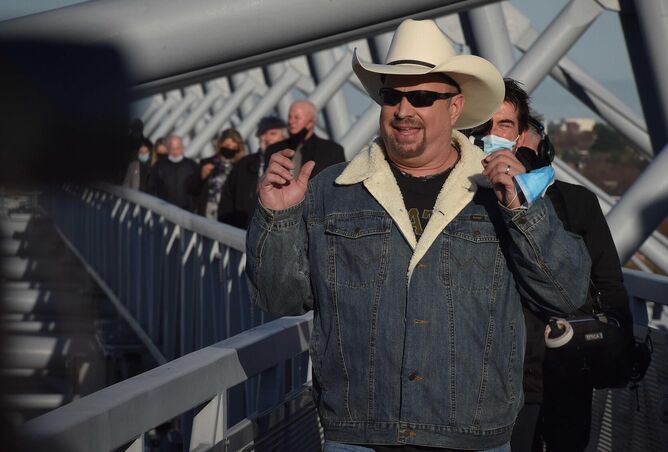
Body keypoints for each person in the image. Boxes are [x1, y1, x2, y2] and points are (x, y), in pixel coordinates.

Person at [246, 19, 590, 451]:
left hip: (471, 438)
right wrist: (276, 220)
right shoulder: (330, 192)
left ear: (455, 107)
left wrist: (524, 211)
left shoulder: (501, 193)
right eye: (392, 95)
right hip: (359, 436)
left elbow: (566, 292)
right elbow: (280, 299)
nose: (404, 109)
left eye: (423, 96)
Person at [476, 79, 633, 452]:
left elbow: (606, 283)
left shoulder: (575, 201)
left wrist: (617, 344)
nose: (493, 136)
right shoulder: (467, 206)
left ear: (525, 139)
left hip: (566, 372)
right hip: (493, 384)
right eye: (483, 126)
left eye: (505, 126)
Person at [218, 116, 287, 229]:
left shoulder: (292, 164)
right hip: (241, 231)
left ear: (284, 137)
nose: (267, 138)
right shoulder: (243, 164)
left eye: (273, 134)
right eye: (263, 134)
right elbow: (227, 199)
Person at [263, 100, 345, 178]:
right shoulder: (274, 150)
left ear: (311, 122)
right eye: (290, 117)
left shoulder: (333, 151)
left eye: (297, 117)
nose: (291, 121)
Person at [193, 128, 246, 219]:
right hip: (206, 215)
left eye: (234, 148)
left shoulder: (241, 168)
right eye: (227, 145)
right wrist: (201, 176)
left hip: (228, 217)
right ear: (220, 144)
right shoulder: (207, 163)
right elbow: (193, 189)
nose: (229, 149)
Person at [151, 134, 199, 211]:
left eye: (178, 148)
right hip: (164, 210)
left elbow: (197, 189)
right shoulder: (159, 166)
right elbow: (152, 187)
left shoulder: (192, 165)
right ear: (168, 149)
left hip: (186, 211)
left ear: (183, 148)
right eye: (173, 149)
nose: (175, 152)